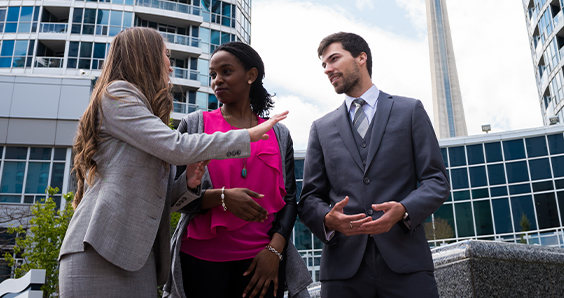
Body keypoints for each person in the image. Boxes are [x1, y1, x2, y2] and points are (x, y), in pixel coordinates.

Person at [59, 27, 287, 298]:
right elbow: (176, 147)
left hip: (137, 255)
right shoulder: (117, 96)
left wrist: (189, 185)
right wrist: (248, 137)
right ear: (146, 56)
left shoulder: (145, 113)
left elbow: (165, 198)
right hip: (99, 248)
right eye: (166, 54)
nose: (169, 64)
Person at [298, 31, 450, 298]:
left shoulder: (410, 110)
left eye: (333, 59)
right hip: (343, 272)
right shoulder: (321, 129)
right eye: (323, 65)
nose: (327, 69)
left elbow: (436, 180)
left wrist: (404, 209)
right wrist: (328, 218)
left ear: (361, 58)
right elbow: (310, 198)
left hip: (407, 267)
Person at [164, 42, 311, 298]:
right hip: (200, 261)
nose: (217, 80)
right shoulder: (195, 124)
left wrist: (275, 250)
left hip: (262, 264)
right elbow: (174, 197)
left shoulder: (278, 133)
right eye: (213, 75)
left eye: (226, 71)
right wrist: (222, 197)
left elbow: (289, 199)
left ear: (251, 75)